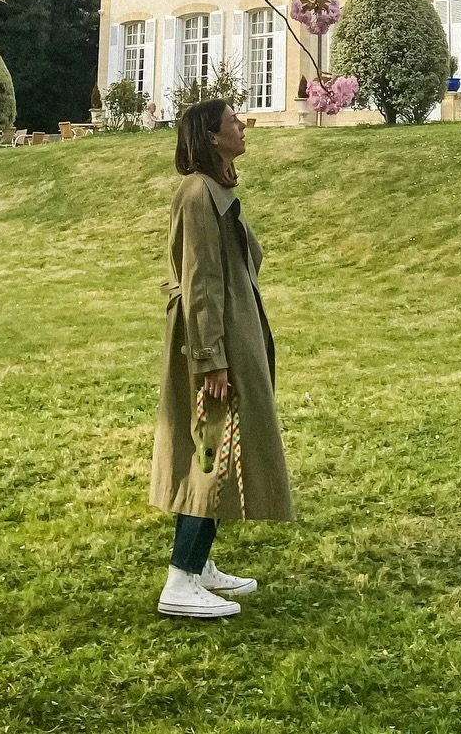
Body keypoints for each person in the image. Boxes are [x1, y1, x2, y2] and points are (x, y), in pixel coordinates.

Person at [149, 98, 292, 619]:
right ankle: (180, 581)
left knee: (219, 449)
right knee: (210, 452)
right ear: (211, 136)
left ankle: (199, 564)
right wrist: (211, 359)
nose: (243, 125)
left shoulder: (216, 191)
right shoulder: (197, 195)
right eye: (234, 121)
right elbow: (201, 281)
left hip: (231, 335)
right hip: (214, 342)